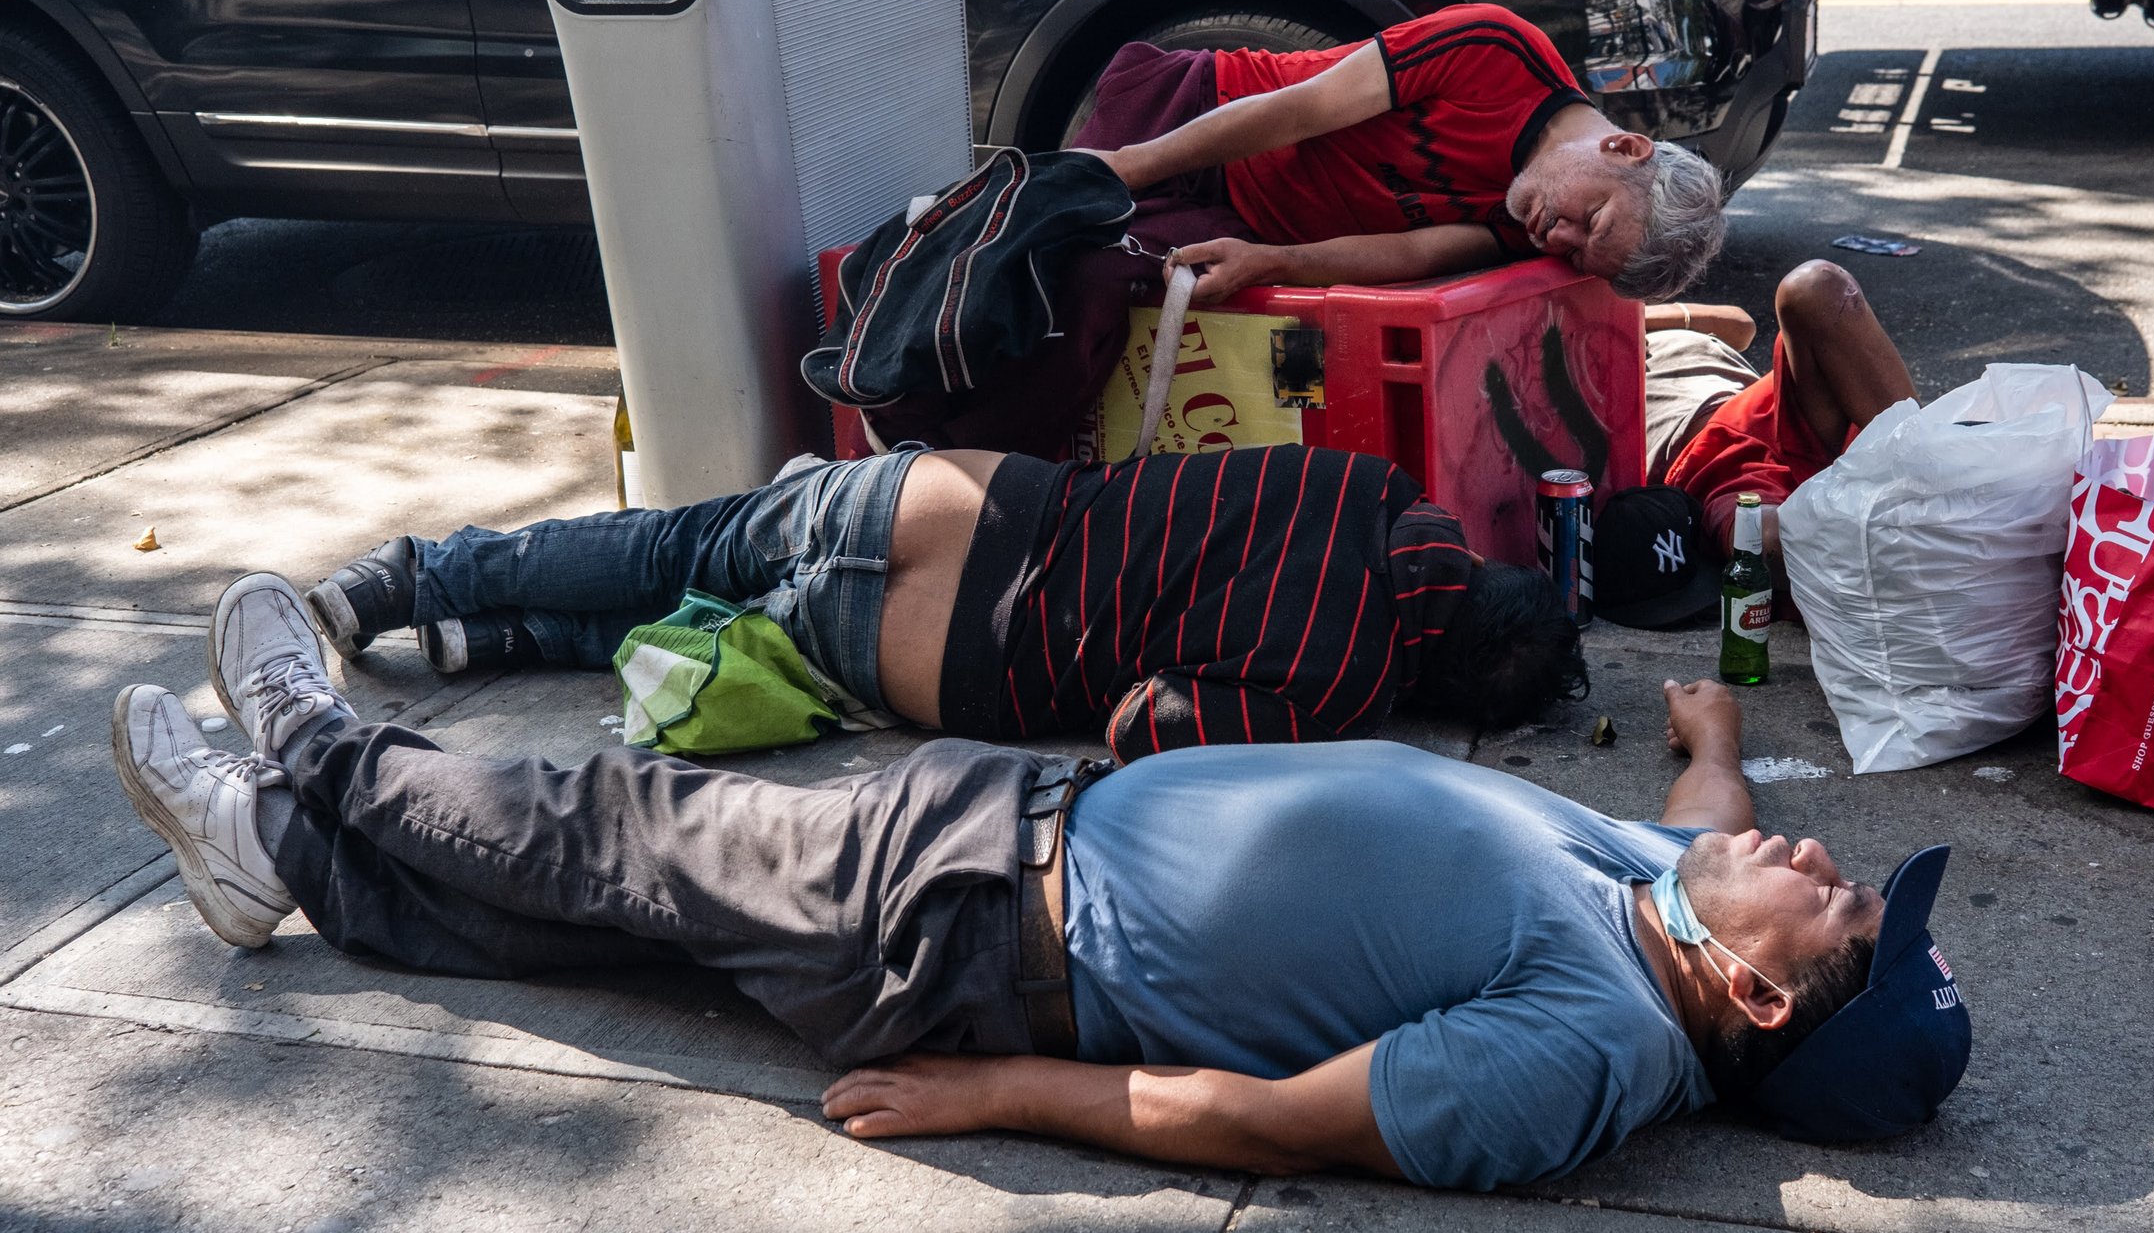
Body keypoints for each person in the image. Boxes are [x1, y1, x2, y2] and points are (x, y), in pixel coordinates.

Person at [111, 579, 1970, 1189]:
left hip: (983, 932)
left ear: (1765, 998)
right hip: (1026, 820)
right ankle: (274, 860)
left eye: (1845, 904)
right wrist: (1712, 729)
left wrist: (996, 1094)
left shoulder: (1582, 1053)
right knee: (632, 910)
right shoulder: (1664, 898)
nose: (1820, 854)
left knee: (622, 835)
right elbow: (1723, 804)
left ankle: (312, 747)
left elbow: (1259, 1118)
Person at [304, 444, 1585, 763]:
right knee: (742, 634)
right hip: (960, 660)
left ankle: (417, 583)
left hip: (963, 501)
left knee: (679, 542)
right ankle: (500, 632)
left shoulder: (1367, 482)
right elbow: (1146, 720)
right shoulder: (1350, 685)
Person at [866, 2, 1731, 456]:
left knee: (1099, 292)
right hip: (1202, 115)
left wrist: (1273, 259)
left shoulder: (1527, 223)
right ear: (1624, 146)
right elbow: (1299, 111)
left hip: (1236, 218)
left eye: (1581, 255)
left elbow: (1416, 253)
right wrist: (1124, 169)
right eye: (1593, 221)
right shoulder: (1495, 51)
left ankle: (966, 465)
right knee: (1041, 265)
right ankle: (910, 426)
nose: (1561, 242)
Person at [1645, 259, 1918, 568]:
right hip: (1704, 454)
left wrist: (1630, 316)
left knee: (1814, 286)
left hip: (1766, 412)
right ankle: (1901, 555)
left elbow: (1740, 325)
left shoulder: (1642, 321)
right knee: (1763, 538)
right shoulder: (1586, 356)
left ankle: (1932, 472)